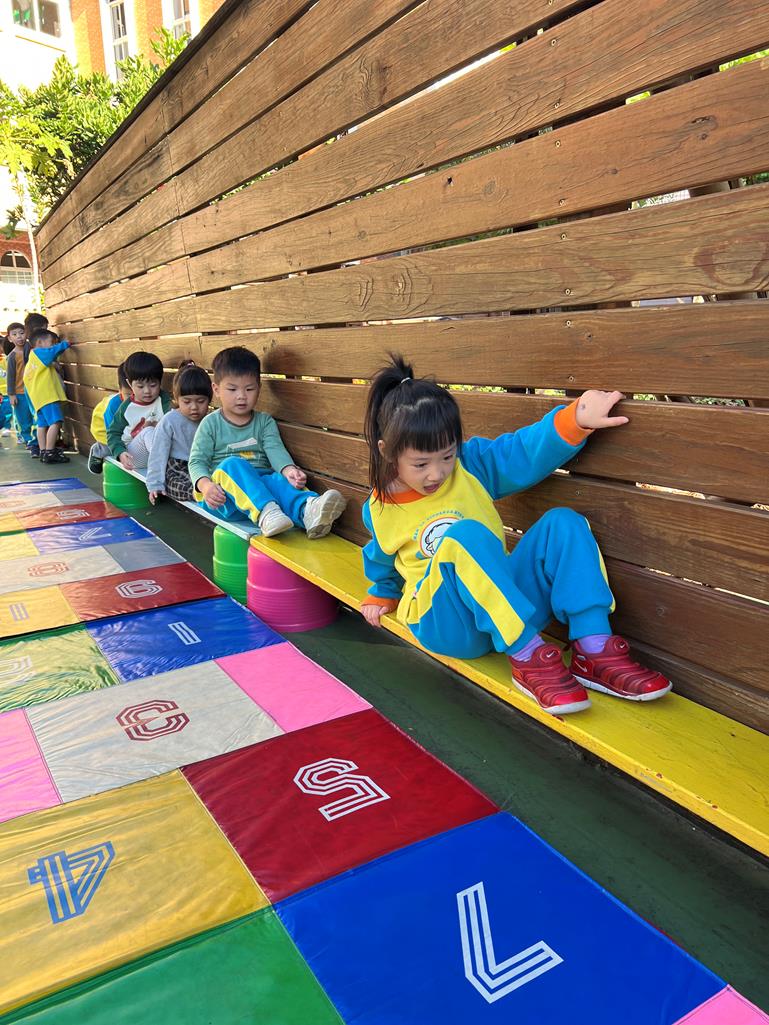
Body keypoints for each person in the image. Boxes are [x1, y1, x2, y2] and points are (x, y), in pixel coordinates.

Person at [360, 354, 671, 716]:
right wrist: (382, 592)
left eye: (446, 456)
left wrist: (576, 418)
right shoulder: (380, 507)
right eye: (420, 464)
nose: (437, 473)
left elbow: (521, 452)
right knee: (464, 536)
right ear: (387, 452)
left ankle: (594, 648)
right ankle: (528, 657)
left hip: (504, 608)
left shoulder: (470, 466)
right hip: (446, 624)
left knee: (563, 524)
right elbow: (380, 556)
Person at [188, 345, 346, 538]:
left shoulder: (264, 422)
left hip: (262, 488)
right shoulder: (210, 423)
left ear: (259, 388)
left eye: (249, 389)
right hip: (223, 498)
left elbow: (275, 450)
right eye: (232, 389)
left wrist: (289, 470)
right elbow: (196, 461)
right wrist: (205, 486)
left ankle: (308, 511)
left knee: (277, 480)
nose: (241, 396)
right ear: (216, 389)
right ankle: (266, 513)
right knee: (233, 464)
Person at [145, 360, 212, 503]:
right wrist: (155, 484)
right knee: (175, 485)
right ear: (177, 399)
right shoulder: (169, 421)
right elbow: (158, 454)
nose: (194, 407)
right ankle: (200, 494)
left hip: (202, 466)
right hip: (178, 467)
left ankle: (210, 491)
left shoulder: (211, 420)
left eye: (200, 401)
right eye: (187, 402)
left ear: (209, 399)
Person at [107, 351, 171, 470]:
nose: (147, 391)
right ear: (129, 384)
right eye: (140, 386)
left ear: (160, 382)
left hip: (160, 451)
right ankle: (164, 465)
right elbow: (113, 433)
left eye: (153, 385)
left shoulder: (164, 400)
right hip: (133, 456)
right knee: (147, 431)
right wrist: (120, 453)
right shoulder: (127, 408)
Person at [24, 328, 71, 464]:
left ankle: (43, 451)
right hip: (48, 397)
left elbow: (52, 353)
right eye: (51, 342)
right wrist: (65, 344)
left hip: (39, 400)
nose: (53, 345)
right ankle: (50, 451)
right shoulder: (39, 353)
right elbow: (52, 352)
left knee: (42, 425)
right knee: (56, 422)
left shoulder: (33, 361)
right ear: (39, 343)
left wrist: (58, 349)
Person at [87, 362, 131, 473]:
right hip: (103, 427)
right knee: (110, 448)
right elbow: (112, 432)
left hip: (123, 427)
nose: (133, 399)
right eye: (129, 395)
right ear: (120, 390)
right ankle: (98, 450)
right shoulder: (114, 405)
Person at [5, 322, 37, 453]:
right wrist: (11, 394)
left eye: (22, 333)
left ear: (26, 334)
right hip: (20, 392)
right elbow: (10, 377)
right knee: (24, 419)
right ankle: (27, 439)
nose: (19, 336)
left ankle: (36, 440)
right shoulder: (12, 356)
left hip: (34, 390)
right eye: (14, 334)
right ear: (9, 338)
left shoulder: (31, 348)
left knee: (36, 417)